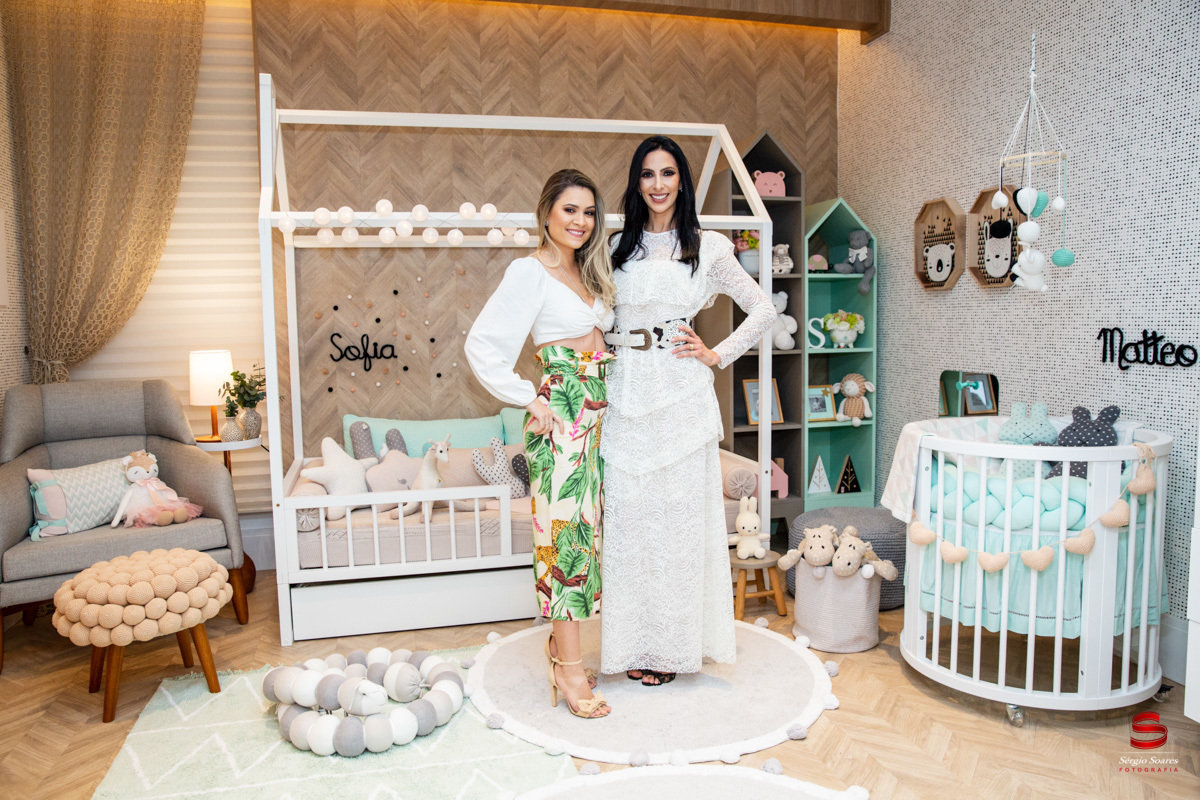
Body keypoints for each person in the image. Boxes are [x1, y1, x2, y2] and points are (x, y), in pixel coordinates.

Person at [600, 136, 775, 685]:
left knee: (676, 526)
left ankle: (672, 650)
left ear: (682, 181)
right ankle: (632, 644)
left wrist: (716, 354)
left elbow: (763, 309)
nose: (658, 184)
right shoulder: (615, 247)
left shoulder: (708, 246)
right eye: (648, 174)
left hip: (679, 392)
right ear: (636, 183)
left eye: (668, 173)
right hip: (625, 392)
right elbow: (598, 316)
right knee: (630, 526)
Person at [465, 169, 617, 718]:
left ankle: (561, 646)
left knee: (588, 538)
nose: (580, 221)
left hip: (601, 415)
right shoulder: (528, 272)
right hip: (564, 416)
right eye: (569, 209)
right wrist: (530, 399)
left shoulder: (590, 270)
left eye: (589, 212)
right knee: (565, 540)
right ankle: (570, 670)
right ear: (546, 212)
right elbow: (482, 345)